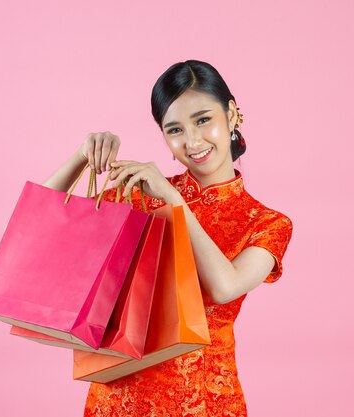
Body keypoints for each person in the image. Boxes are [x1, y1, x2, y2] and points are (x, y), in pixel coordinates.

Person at [42, 59, 293, 416]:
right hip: (118, 394)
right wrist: (82, 157)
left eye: (203, 120)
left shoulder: (267, 222)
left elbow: (224, 286)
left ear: (232, 114)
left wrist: (174, 200)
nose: (192, 141)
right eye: (174, 129)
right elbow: (41, 224)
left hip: (202, 401)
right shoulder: (140, 193)